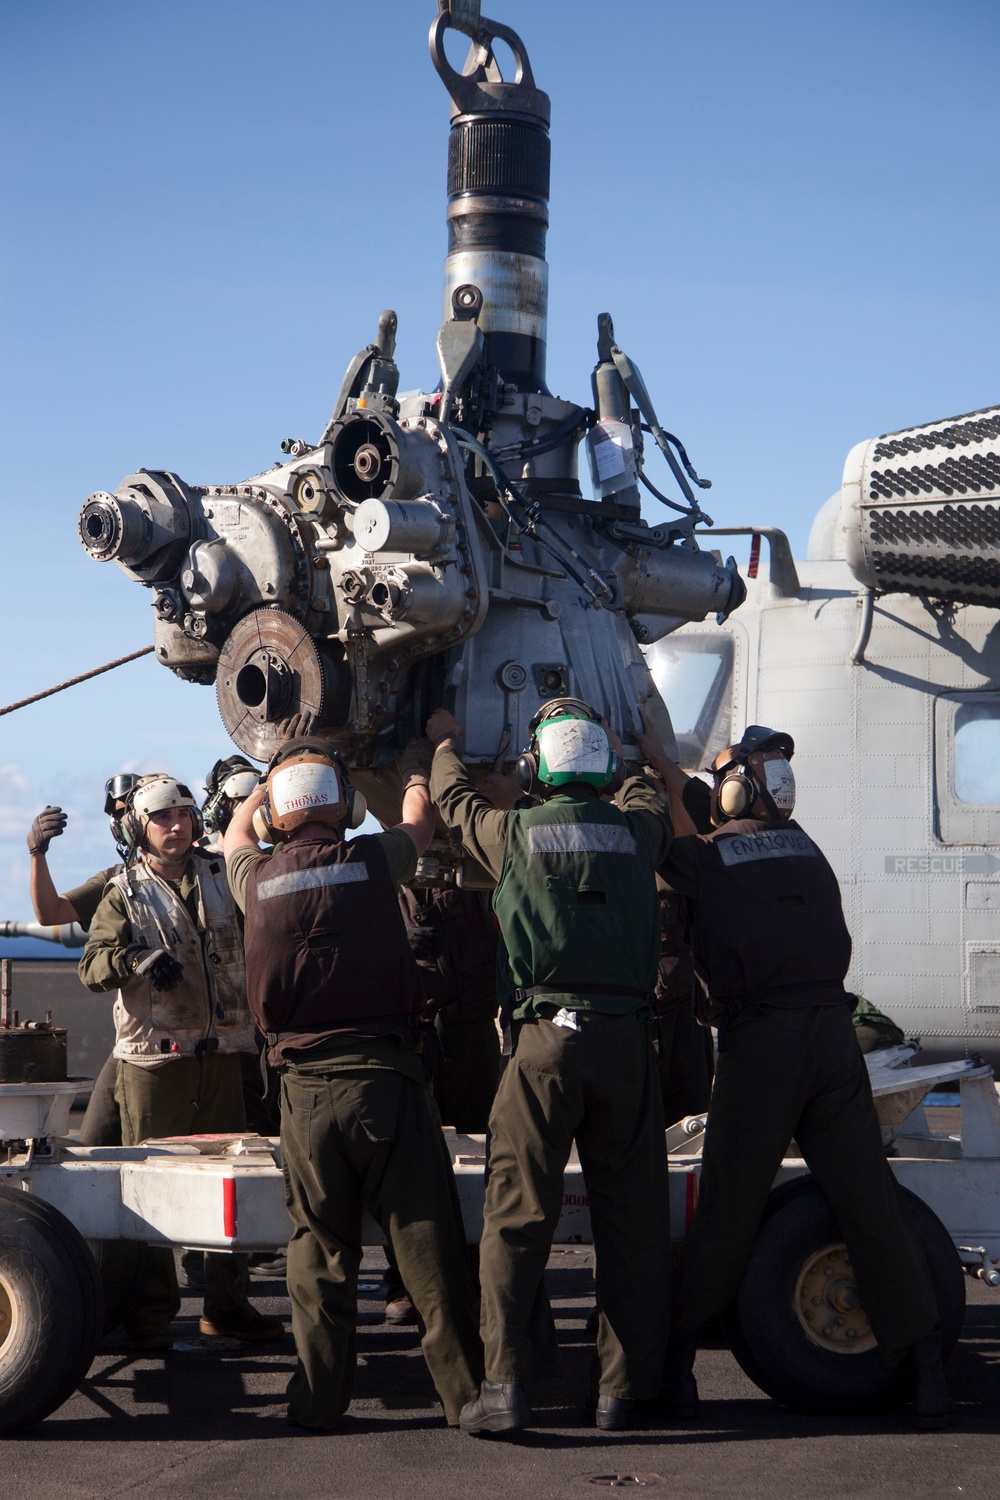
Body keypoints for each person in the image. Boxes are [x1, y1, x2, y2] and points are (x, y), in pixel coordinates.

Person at [640, 722, 950, 1430]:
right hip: (832, 1042)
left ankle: (673, 1363)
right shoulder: (804, 846)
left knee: (727, 1208)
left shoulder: (712, 860)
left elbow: (686, 842)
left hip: (765, 1047)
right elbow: (728, 819)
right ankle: (925, 1370)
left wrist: (654, 767)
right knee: (868, 1204)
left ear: (737, 789)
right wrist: (683, 770)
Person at [427, 698, 674, 1436]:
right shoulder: (639, 831)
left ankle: (503, 1389)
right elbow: (646, 795)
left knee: (517, 1219)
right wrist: (636, 756)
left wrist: (443, 744)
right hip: (627, 1041)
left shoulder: (512, 833)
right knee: (632, 1225)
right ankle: (622, 1393)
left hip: (543, 1044)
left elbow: (455, 798)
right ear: (601, 766)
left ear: (536, 767)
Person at [224, 732, 483, 1432]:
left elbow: (233, 836)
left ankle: (317, 1402)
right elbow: (420, 821)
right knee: (425, 1243)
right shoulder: (370, 859)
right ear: (340, 806)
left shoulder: (255, 879)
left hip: (302, 1095)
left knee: (318, 1252)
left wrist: (262, 786)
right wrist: (415, 766)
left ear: (280, 812)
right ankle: (467, 1397)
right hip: (385, 1082)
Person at [80, 774, 283, 1352]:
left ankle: (227, 1306)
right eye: (162, 818)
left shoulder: (228, 876)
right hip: (154, 1064)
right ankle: (150, 1314)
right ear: (138, 829)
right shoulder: (124, 891)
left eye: (184, 816)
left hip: (221, 1058)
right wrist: (135, 958)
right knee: (153, 1191)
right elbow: (92, 968)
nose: (176, 827)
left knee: (232, 1187)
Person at [382, 883, 501, 1324]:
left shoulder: (477, 878)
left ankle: (475, 1276)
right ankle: (405, 1282)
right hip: (412, 1032)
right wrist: (394, 947)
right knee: (411, 1162)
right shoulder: (380, 875)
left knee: (482, 1160)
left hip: (473, 1032)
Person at [27, 774, 142, 1146]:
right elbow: (50, 912)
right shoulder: (117, 882)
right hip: (139, 1033)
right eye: (122, 812)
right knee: (97, 1139)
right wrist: (37, 854)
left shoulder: (205, 870)